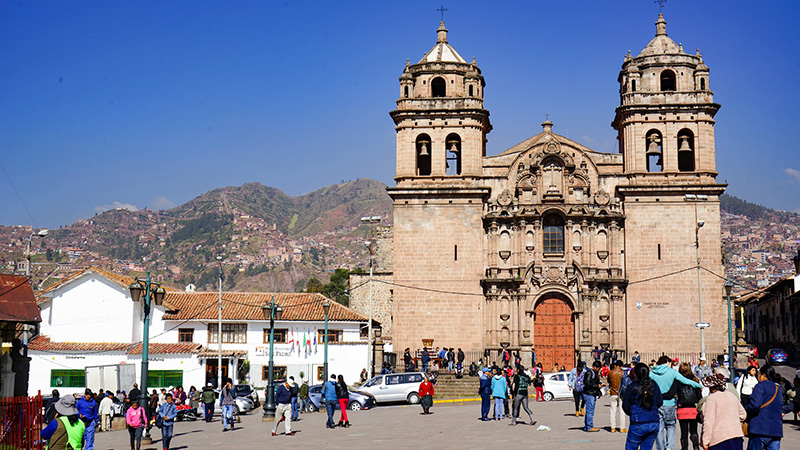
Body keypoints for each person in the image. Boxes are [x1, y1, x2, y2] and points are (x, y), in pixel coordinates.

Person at [650, 355, 702, 450]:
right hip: (669, 403)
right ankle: (669, 446)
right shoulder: (672, 372)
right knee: (670, 426)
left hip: (657, 404)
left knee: (659, 428)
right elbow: (685, 381)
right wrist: (697, 385)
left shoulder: (652, 373)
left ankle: (660, 447)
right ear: (667, 362)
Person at [700, 373, 746, 450]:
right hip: (736, 436)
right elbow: (743, 415)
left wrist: (705, 441)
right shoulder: (731, 395)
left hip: (719, 439)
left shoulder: (712, 399)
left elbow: (708, 422)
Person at [623, 363, 663, 450]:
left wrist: (633, 412)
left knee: (631, 447)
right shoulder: (654, 385)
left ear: (635, 373)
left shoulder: (632, 386)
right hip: (653, 421)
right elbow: (660, 402)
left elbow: (626, 405)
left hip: (638, 422)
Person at [744, 365, 783, 450]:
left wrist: (745, 412)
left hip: (760, 429)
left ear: (764, 375)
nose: (758, 376)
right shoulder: (777, 388)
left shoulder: (760, 386)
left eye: (759, 374)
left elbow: (754, 405)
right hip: (776, 430)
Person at [676, 363, 702, 450]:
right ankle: (696, 446)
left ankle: (684, 447)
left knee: (684, 432)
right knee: (694, 430)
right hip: (693, 409)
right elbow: (699, 397)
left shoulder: (678, 381)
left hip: (682, 409)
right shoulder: (695, 380)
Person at [609, 360, 629, 433]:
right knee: (622, 411)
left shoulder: (610, 372)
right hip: (620, 393)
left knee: (612, 411)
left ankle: (613, 427)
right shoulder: (623, 373)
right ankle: (622, 427)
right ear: (621, 366)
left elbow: (609, 381)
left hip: (612, 392)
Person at [583, 360, 603, 432]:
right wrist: (597, 386)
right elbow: (588, 384)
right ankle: (589, 426)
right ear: (595, 367)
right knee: (590, 411)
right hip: (589, 394)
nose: (599, 370)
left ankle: (587, 425)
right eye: (598, 368)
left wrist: (600, 384)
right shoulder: (589, 373)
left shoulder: (594, 373)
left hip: (592, 393)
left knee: (589, 411)